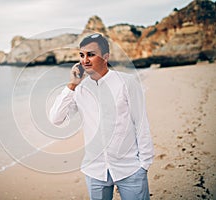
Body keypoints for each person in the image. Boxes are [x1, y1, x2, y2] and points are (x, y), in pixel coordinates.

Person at [49, 33, 154, 200]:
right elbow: (56, 118)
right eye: (82, 55)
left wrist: (144, 165)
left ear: (106, 57)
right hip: (94, 171)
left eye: (91, 54)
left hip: (130, 169)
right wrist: (71, 86)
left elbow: (141, 123)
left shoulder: (126, 83)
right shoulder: (80, 89)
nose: (85, 60)